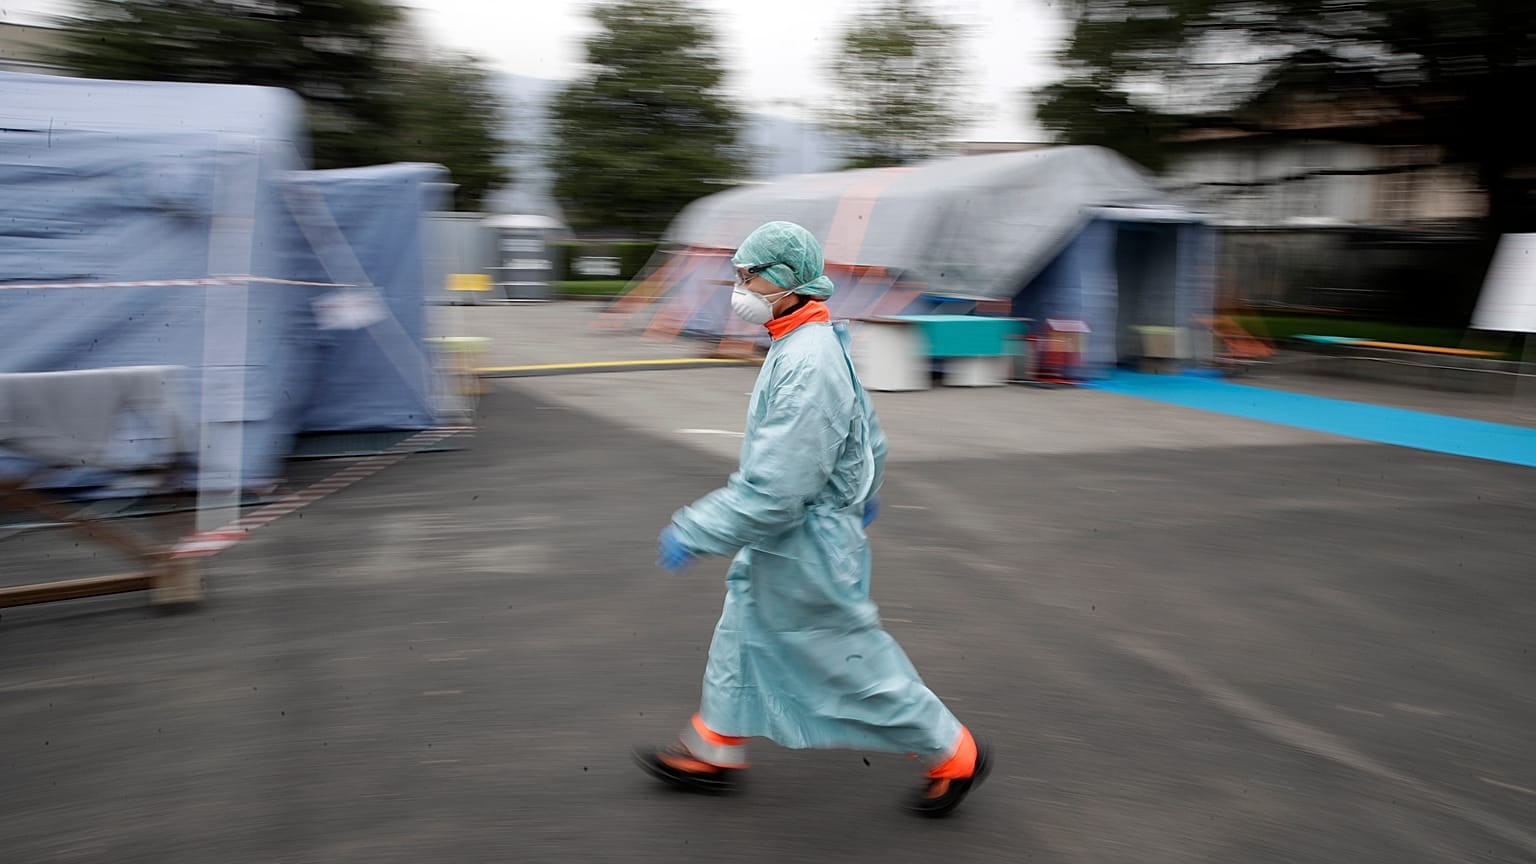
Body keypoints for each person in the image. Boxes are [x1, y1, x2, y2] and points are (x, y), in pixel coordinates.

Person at [636, 221, 990, 817]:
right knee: (742, 635)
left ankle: (953, 751)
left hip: (804, 545)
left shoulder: (807, 360)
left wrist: (696, 529)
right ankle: (714, 748)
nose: (738, 288)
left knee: (843, 659)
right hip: (796, 539)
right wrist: (863, 485)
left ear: (781, 280)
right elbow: (866, 431)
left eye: (746, 277)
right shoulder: (810, 339)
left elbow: (778, 488)